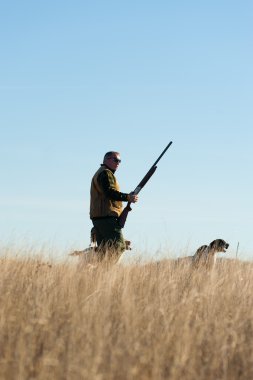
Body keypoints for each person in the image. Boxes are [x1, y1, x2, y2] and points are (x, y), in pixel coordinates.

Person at [90, 151, 138, 260]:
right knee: (119, 246)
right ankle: (106, 270)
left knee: (104, 250)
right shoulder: (106, 173)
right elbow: (109, 192)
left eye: (120, 161)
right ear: (106, 159)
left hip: (98, 218)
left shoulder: (100, 173)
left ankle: (98, 273)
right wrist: (127, 197)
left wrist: (127, 197)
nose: (118, 163)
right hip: (107, 218)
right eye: (115, 160)